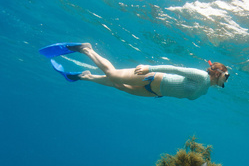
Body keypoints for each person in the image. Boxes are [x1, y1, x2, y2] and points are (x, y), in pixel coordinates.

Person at [46, 43, 229, 100]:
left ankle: (85, 76)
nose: (226, 80)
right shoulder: (202, 77)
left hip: (155, 92)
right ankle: (86, 49)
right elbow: (175, 69)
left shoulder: (205, 89)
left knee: (119, 86)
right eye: (226, 76)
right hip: (152, 77)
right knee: (113, 75)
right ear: (218, 72)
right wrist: (150, 68)